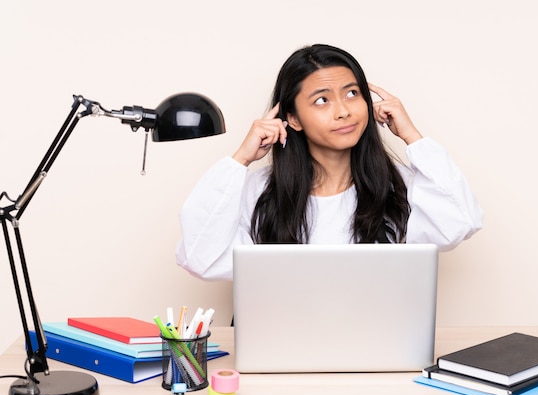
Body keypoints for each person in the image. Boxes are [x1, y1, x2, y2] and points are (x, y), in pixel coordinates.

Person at [175, 44, 483, 281]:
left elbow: (460, 222)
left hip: (376, 347)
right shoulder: (259, 192)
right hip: (282, 348)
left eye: (352, 94)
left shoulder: (398, 187)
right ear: (292, 118)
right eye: (322, 100)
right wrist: (240, 160)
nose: (343, 111)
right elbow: (200, 258)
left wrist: (412, 136)